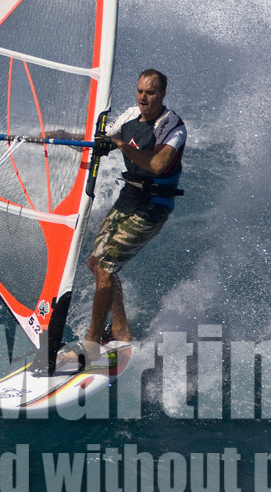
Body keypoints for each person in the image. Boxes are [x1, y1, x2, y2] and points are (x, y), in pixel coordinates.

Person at [60, 68, 185, 368]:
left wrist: (117, 145)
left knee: (105, 267)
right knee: (96, 263)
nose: (144, 97)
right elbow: (100, 139)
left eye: (151, 92)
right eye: (140, 91)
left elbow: (156, 164)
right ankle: (120, 330)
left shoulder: (172, 127)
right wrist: (63, 138)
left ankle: (90, 345)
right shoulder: (129, 115)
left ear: (162, 94)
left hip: (153, 205)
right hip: (128, 198)